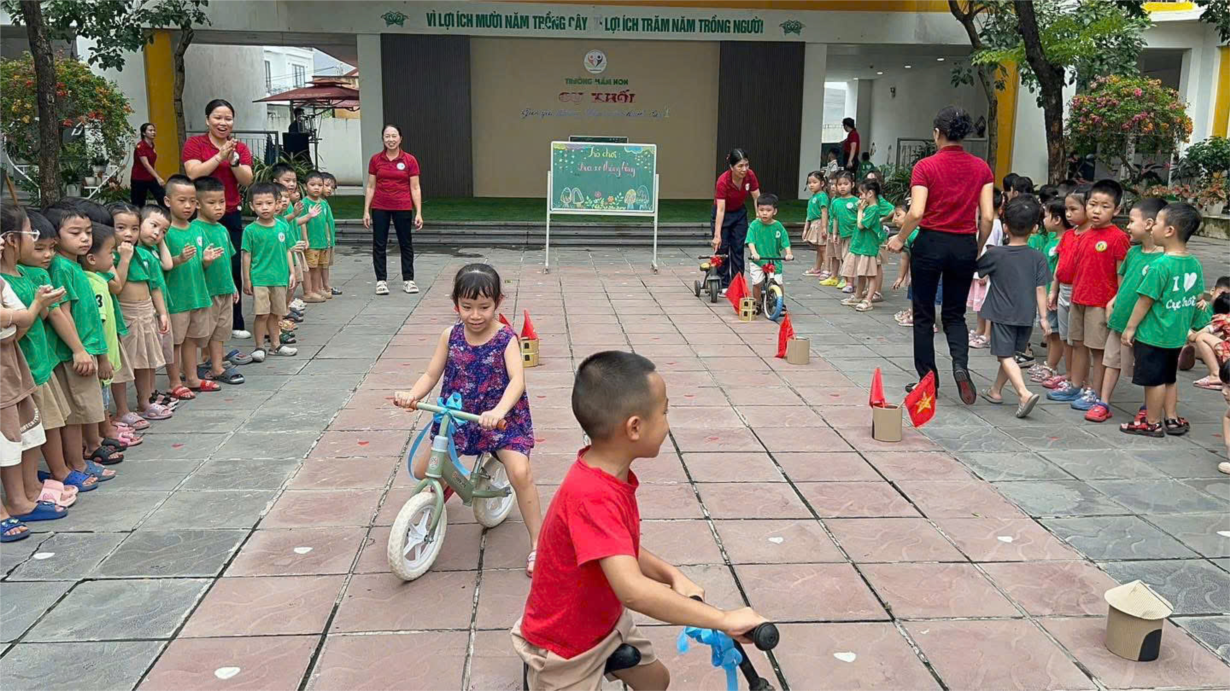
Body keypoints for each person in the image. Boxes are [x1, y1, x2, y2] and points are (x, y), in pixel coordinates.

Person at [510, 351, 768, 690]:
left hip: (605, 621)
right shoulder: (592, 495)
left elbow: (618, 547)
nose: (667, 423)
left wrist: (671, 575)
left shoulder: (608, 475)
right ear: (634, 427)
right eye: (664, 413)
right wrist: (722, 619)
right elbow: (633, 591)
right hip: (566, 644)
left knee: (656, 681)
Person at [394, 263, 543, 576]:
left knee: (520, 472)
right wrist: (412, 395)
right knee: (423, 472)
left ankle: (538, 543)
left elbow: (517, 381)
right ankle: (451, 485)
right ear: (456, 304)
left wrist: (499, 411)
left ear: (498, 303)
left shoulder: (506, 338)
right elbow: (431, 374)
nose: (475, 315)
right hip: (459, 416)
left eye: (484, 307)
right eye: (467, 307)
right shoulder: (450, 336)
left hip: (499, 420)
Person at [886, 106, 996, 404]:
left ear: (937, 133)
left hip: (931, 243)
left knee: (923, 314)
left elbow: (917, 212)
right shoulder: (981, 168)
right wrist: (977, 246)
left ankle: (928, 381)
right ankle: (960, 366)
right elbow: (987, 217)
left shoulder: (926, 166)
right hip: (964, 244)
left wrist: (900, 237)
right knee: (955, 314)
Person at [16, 209, 98, 495]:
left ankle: (57, 471)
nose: (48, 255)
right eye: (39, 247)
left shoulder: (38, 272)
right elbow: (53, 314)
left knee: (51, 420)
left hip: (42, 361)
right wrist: (78, 349)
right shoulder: (33, 274)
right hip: (31, 364)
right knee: (41, 425)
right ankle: (57, 472)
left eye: (50, 247)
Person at [0, 206, 68, 531]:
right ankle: (13, 503)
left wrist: (30, 310)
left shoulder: (12, 279)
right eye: (32, 235)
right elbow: (15, 324)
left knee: (23, 435)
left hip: (14, 371)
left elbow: (16, 325)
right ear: (12, 240)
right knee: (7, 440)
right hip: (7, 371)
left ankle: (22, 497)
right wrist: (33, 308)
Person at [44, 203, 122, 472]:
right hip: (74, 354)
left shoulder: (75, 266)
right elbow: (61, 313)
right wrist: (78, 350)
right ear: (56, 237)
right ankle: (77, 464)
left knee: (84, 410)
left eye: (88, 232)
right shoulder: (61, 267)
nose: (85, 238)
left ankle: (84, 456)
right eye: (75, 233)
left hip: (87, 350)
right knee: (75, 413)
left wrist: (100, 354)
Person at [1120, 203, 1208, 437]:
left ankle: (1151, 422)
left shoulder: (1159, 266)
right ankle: (1172, 418)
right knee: (1169, 377)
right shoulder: (1193, 263)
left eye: (1157, 223)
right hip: (1176, 335)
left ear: (1169, 231)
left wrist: (1130, 328)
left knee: (1154, 380)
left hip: (1153, 334)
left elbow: (1145, 301)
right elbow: (1197, 296)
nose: (1152, 228)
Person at [1084, 198, 1167, 423]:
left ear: (1149, 224)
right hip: (1120, 319)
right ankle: (1103, 402)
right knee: (1111, 361)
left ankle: (1147, 406)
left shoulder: (1164, 259)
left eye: (1131, 221)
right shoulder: (1133, 253)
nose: (1128, 226)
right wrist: (1114, 300)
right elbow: (1124, 282)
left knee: (1147, 367)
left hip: (1146, 325)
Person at [181, 99, 254, 339]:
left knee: (232, 266)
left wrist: (232, 159)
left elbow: (247, 179)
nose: (223, 123)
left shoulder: (239, 148)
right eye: (218, 118)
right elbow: (193, 172)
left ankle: (235, 321)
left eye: (228, 118)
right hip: (200, 214)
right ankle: (201, 318)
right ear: (207, 120)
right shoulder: (195, 144)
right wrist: (219, 155)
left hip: (230, 213)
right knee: (201, 264)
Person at [975, 195, 1051, 418]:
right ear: (1034, 228)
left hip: (1002, 313)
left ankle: (1024, 393)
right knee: (1009, 355)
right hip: (1026, 314)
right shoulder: (1038, 257)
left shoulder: (995, 254)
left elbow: (978, 270)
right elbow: (1040, 289)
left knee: (1005, 356)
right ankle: (995, 391)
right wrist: (1044, 318)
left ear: (1005, 226)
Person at [1057, 180, 1130, 413]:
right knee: (1078, 344)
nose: (1097, 211)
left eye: (1105, 206)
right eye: (1092, 204)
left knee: (1098, 350)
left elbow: (1121, 274)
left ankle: (1096, 393)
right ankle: (1076, 385)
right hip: (1079, 297)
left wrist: (1116, 302)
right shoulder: (1084, 234)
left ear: (1116, 210)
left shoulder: (1118, 237)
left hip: (1100, 302)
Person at [107, 202, 172, 424]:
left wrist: (161, 313)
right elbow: (116, 286)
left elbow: (155, 286)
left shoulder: (145, 255)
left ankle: (144, 401)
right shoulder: (109, 257)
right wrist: (124, 259)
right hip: (124, 315)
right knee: (123, 365)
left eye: (134, 228)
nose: (129, 234)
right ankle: (122, 409)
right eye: (121, 228)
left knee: (146, 361)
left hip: (146, 312)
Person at [163, 175, 221, 399]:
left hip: (197, 294)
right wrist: (178, 259)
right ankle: (174, 382)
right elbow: (162, 265)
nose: (187, 206)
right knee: (175, 342)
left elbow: (201, 264)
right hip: (176, 297)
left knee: (192, 340)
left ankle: (192, 377)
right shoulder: (165, 232)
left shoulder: (197, 230)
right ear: (168, 201)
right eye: (181, 200)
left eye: (192, 201)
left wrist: (206, 260)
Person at [191, 177, 243, 386]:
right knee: (203, 332)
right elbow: (193, 266)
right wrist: (205, 262)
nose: (218, 207)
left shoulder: (222, 229)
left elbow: (227, 261)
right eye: (211, 203)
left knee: (221, 331)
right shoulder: (195, 229)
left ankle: (216, 364)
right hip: (207, 291)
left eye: (221, 201)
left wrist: (232, 285)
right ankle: (198, 365)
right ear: (198, 204)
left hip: (224, 289)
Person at [1043, 185, 1092, 394]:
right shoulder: (1069, 235)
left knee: (1078, 339)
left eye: (1073, 209)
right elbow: (1061, 264)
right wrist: (1053, 290)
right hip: (1063, 289)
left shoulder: (1091, 236)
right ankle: (1070, 374)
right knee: (1065, 337)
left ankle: (1082, 379)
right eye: (1067, 210)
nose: (1069, 214)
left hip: (1079, 292)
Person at [364, 124, 423, 296]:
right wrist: (366, 210)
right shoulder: (376, 160)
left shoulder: (409, 160)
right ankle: (381, 281)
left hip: (402, 206)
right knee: (379, 244)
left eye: (394, 136)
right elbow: (370, 186)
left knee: (406, 243)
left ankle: (408, 280)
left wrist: (418, 212)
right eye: (387, 136)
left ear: (400, 138)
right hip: (380, 206)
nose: (391, 140)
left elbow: (415, 187)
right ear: (383, 139)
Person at [242, 183, 298, 360]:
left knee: (276, 313)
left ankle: (276, 345)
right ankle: (259, 346)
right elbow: (246, 255)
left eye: (269, 203)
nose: (264, 207)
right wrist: (246, 279)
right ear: (252, 206)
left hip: (279, 278)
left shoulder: (282, 227)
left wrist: (292, 272)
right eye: (259, 204)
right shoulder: (250, 230)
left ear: (277, 204)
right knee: (262, 314)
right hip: (260, 278)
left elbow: (288, 249)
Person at [1029, 197, 1074, 385]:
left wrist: (1052, 292)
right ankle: (1050, 364)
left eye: (1046, 216)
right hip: (1046, 292)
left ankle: (1051, 365)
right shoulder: (1052, 239)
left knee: (1055, 333)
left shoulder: (1064, 241)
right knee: (1049, 332)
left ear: (1057, 219)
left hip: (1053, 295)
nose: (1043, 220)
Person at [710, 149, 760, 295]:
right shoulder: (723, 181)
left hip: (739, 214)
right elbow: (720, 209)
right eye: (740, 166)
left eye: (746, 165)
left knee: (738, 249)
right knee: (722, 249)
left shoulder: (750, 175)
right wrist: (717, 235)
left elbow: (757, 198)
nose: (744, 169)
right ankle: (723, 283)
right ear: (731, 167)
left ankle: (737, 284)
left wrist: (759, 218)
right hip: (723, 214)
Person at [968, 189, 1005, 350]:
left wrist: (985, 271)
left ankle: (987, 334)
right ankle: (980, 329)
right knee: (980, 303)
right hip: (981, 271)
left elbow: (991, 250)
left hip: (986, 272)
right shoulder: (992, 223)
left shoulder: (992, 225)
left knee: (985, 303)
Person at [840, 180, 884, 311]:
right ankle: (858, 296)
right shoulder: (868, 208)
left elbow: (861, 225)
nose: (860, 197)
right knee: (861, 273)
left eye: (861, 194)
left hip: (868, 247)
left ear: (870, 193)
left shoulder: (874, 209)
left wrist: (860, 210)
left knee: (870, 275)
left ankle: (868, 300)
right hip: (860, 245)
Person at [745, 194, 793, 312]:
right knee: (757, 283)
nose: (764, 213)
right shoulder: (754, 225)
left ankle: (780, 303)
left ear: (774, 211)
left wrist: (788, 253)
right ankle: (757, 302)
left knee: (778, 282)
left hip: (774, 260)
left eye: (768, 210)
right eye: (761, 210)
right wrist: (754, 253)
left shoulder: (778, 226)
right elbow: (750, 241)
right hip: (758, 260)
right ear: (757, 210)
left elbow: (785, 241)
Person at [820, 171, 857, 290]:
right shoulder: (835, 202)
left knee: (846, 257)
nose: (842, 187)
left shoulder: (856, 201)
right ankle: (835, 276)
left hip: (851, 234)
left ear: (852, 185)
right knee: (835, 255)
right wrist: (834, 233)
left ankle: (848, 281)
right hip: (836, 234)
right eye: (839, 184)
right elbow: (835, 218)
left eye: (845, 184)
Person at [302, 171, 332, 302]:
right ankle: (309, 291)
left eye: (320, 185)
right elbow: (302, 223)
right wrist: (305, 239)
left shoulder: (323, 203)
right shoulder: (304, 203)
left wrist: (327, 239)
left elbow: (325, 222)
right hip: (311, 242)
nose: (316, 188)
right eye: (312, 184)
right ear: (305, 186)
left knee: (320, 266)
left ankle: (317, 288)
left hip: (322, 242)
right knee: (311, 267)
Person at [801, 171, 830, 279]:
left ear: (822, 183)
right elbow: (809, 215)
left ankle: (827, 269)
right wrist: (805, 229)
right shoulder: (813, 197)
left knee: (823, 248)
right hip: (814, 224)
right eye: (809, 182)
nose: (811, 185)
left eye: (814, 182)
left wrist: (824, 227)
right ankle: (817, 268)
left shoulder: (822, 196)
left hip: (820, 223)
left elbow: (824, 212)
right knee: (819, 248)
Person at [130, 123, 165, 207]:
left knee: (162, 198)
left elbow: (152, 164)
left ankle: (166, 214)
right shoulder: (141, 146)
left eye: (154, 130)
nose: (153, 132)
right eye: (150, 130)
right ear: (144, 133)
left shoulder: (152, 145)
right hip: (139, 179)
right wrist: (158, 177)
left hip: (150, 177)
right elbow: (146, 164)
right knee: (138, 204)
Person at [321, 172, 340, 296]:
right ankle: (321, 286)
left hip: (328, 239)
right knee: (320, 265)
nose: (329, 189)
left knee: (326, 264)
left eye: (332, 187)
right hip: (320, 240)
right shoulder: (315, 203)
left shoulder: (325, 202)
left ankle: (326, 285)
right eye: (327, 185)